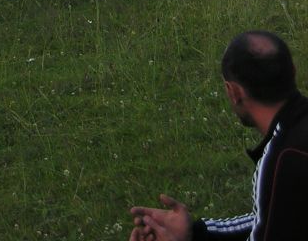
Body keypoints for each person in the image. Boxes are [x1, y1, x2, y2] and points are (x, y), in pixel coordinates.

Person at [130, 30, 308, 241]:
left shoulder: (283, 159)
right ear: (292, 71)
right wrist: (196, 233)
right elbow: (273, 218)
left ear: (234, 92)